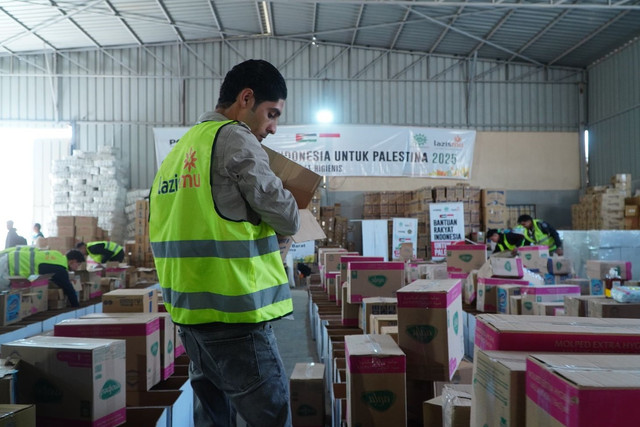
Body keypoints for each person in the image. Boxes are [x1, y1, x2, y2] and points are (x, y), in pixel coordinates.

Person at [149, 59, 299, 427]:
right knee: (271, 418)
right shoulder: (233, 136)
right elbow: (286, 216)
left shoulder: (181, 149)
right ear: (246, 98)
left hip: (191, 318)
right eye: (271, 113)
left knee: (215, 420)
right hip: (236, 318)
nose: (273, 127)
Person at [0, 246, 85, 307]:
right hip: (8, 266)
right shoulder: (60, 269)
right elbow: (68, 289)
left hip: (9, 258)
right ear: (72, 261)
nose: (77, 267)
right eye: (78, 264)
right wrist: (76, 306)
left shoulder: (57, 255)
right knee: (2, 295)